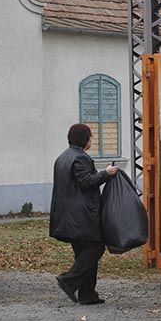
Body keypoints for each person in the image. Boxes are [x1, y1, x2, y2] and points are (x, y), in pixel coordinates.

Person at [50, 123, 118, 305]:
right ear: (83, 139)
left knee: (83, 253)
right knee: (95, 248)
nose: (92, 140)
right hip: (82, 215)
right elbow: (86, 182)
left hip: (67, 215)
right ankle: (68, 280)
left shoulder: (62, 157)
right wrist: (107, 173)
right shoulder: (80, 158)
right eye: (90, 137)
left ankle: (87, 294)